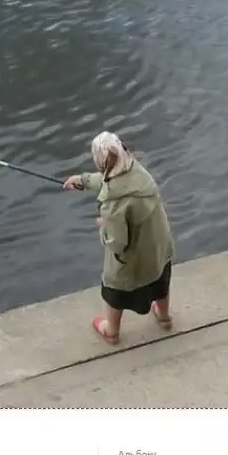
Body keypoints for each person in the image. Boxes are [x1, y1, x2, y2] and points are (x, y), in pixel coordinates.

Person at [63, 131, 175, 344]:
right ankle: (164, 318)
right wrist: (84, 181)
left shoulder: (113, 206)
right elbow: (113, 180)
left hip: (132, 262)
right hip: (158, 248)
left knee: (114, 291)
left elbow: (117, 244)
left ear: (101, 162)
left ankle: (112, 331)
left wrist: (104, 226)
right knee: (161, 280)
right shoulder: (138, 172)